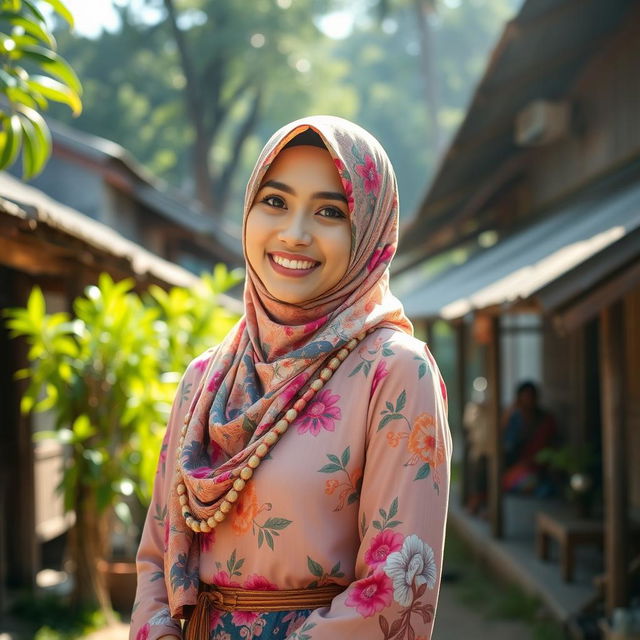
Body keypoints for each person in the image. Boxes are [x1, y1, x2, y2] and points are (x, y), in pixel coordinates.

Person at [130, 115, 452, 640]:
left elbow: (395, 593)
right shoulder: (205, 379)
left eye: (329, 211)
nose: (295, 234)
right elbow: (154, 560)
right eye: (275, 202)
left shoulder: (395, 373)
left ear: (370, 230)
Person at [502, 380, 557, 495]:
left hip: (537, 468)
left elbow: (547, 450)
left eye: (531, 397)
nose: (528, 401)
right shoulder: (514, 419)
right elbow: (506, 445)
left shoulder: (545, 420)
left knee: (543, 489)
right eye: (525, 397)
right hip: (516, 467)